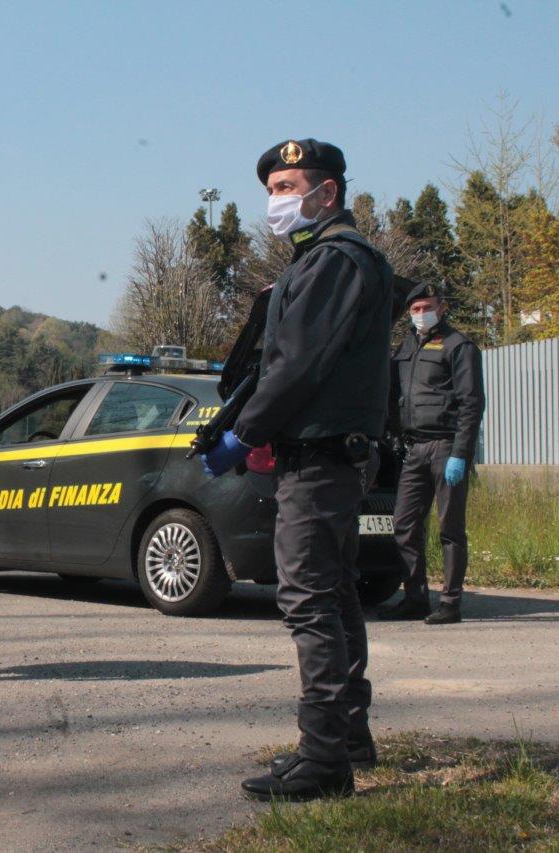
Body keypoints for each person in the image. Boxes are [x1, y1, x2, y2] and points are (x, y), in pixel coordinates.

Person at [201, 138, 394, 801]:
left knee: (309, 599)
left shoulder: (336, 262)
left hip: (320, 458)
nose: (276, 200)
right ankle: (347, 735)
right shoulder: (319, 262)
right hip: (325, 456)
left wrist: (243, 433)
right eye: (273, 188)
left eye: (288, 186)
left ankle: (324, 759)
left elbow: (297, 365)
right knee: (336, 593)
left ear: (327, 193)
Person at [378, 283, 485, 625]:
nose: (421, 314)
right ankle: (415, 597)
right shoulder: (406, 346)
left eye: (427, 306)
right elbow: (393, 394)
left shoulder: (459, 346)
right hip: (415, 449)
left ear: (442, 307)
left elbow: (472, 403)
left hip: (446, 447)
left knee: (450, 527)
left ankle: (451, 602)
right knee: (404, 523)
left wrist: (461, 453)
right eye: (415, 309)